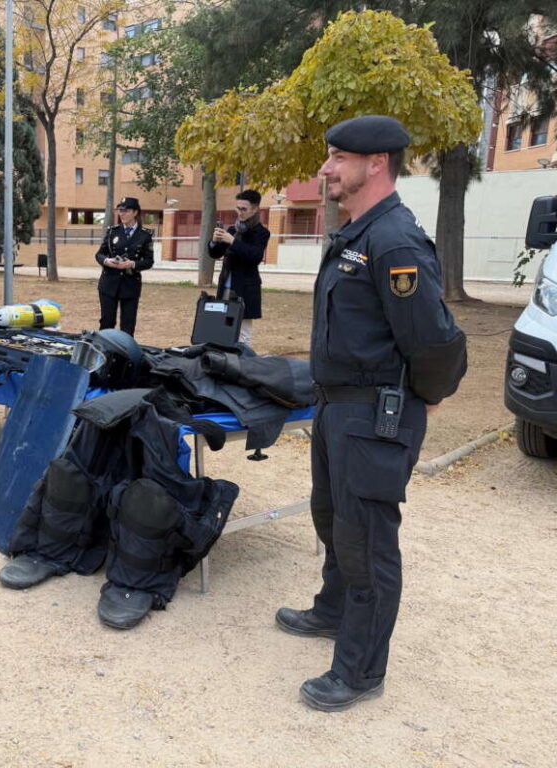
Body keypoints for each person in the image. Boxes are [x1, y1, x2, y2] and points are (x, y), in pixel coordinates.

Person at [276, 115, 467, 711]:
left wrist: (428, 394)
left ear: (375, 163)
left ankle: (360, 671)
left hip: (373, 415)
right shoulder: (360, 233)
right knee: (333, 519)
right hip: (338, 409)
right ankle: (333, 611)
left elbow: (433, 341)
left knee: (366, 542)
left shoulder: (395, 240)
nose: (325, 169)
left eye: (337, 158)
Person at [207, 189, 269, 347]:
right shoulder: (233, 229)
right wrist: (214, 241)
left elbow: (255, 256)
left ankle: (242, 365)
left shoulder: (261, 232)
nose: (239, 212)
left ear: (255, 209)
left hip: (246, 288)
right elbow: (215, 254)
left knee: (243, 334)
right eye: (237, 208)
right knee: (223, 329)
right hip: (226, 285)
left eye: (244, 209)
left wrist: (233, 241)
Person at [95, 196, 154, 337]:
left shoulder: (145, 235)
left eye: (126, 211)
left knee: (128, 325)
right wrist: (107, 261)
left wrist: (132, 264)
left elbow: (149, 261)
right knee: (107, 322)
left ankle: (124, 355)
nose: (122, 214)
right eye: (120, 211)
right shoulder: (113, 232)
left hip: (130, 285)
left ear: (135, 212)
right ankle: (105, 352)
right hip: (109, 284)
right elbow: (99, 254)